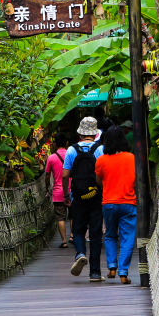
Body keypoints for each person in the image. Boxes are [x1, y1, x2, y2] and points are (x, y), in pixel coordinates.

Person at [62, 116, 104, 282]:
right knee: (95, 233)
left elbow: (65, 175)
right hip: (96, 196)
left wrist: (66, 194)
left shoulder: (72, 150)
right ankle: (94, 272)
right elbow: (102, 173)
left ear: (80, 133)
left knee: (78, 230)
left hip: (77, 196)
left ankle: (80, 253)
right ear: (95, 134)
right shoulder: (100, 149)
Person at [95, 125, 137, 284]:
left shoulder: (101, 160)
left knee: (111, 235)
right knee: (127, 238)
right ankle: (123, 273)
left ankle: (112, 266)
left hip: (109, 204)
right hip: (128, 202)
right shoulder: (131, 158)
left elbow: (98, 181)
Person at [45, 133, 71, 248]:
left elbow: (47, 176)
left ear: (54, 144)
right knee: (73, 215)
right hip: (72, 190)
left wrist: (47, 189)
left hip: (57, 192)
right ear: (66, 143)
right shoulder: (71, 155)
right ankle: (72, 236)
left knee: (60, 217)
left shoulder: (51, 158)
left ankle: (64, 241)